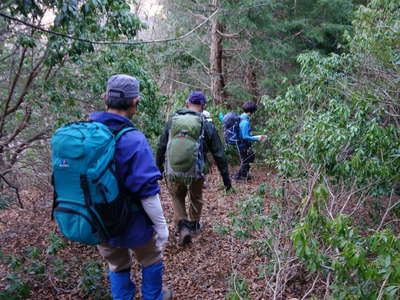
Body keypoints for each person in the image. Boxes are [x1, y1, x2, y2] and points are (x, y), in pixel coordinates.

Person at [90, 74, 172, 300]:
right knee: (151, 260)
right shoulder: (133, 139)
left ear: (106, 98)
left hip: (99, 221)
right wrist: (162, 227)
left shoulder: (87, 134)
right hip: (133, 222)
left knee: (117, 264)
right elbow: (147, 192)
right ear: (135, 101)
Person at [156, 91, 232, 246]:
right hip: (196, 170)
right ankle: (194, 225)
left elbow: (161, 146)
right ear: (203, 106)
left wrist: (157, 169)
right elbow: (219, 154)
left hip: (173, 170)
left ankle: (182, 226)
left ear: (187, 103)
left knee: (177, 196)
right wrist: (226, 180)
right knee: (196, 197)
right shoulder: (206, 125)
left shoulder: (173, 121)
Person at [233, 101, 265, 181]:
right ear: (252, 112)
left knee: (249, 158)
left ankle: (244, 174)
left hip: (241, 143)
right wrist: (257, 138)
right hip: (242, 144)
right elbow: (245, 136)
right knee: (245, 160)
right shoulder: (245, 122)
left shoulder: (241, 117)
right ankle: (238, 177)